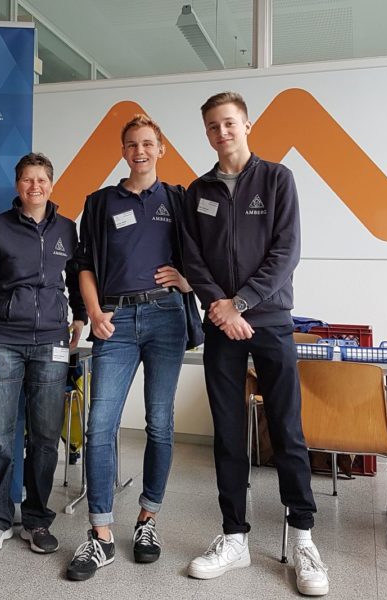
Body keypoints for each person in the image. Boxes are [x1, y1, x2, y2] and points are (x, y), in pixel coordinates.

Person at [181, 91, 328, 596]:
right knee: (227, 434)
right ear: (207, 133)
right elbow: (191, 257)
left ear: (247, 125)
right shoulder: (197, 190)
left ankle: (304, 538)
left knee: (286, 429)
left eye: (229, 124)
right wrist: (220, 308)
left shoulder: (277, 179)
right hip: (221, 326)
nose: (222, 133)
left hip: (270, 321)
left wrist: (239, 302)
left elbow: (287, 251)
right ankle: (233, 536)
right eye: (213, 127)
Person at [66, 115, 200, 581]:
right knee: (100, 424)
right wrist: (94, 313)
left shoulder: (179, 200)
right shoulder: (101, 202)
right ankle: (100, 534)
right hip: (115, 321)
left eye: (147, 144)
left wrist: (188, 281)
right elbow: (82, 266)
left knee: (159, 422)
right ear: (123, 152)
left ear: (161, 148)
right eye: (131, 145)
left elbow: (204, 253)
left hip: (166, 317)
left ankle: (148, 520)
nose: (139, 151)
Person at [0, 152, 86, 555]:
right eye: (27, 180)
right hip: (3, 341)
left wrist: (81, 317)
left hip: (52, 343)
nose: (34, 187)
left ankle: (36, 520)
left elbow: (77, 276)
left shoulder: (67, 230)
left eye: (42, 180)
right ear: (17, 186)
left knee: (43, 437)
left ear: (52, 184)